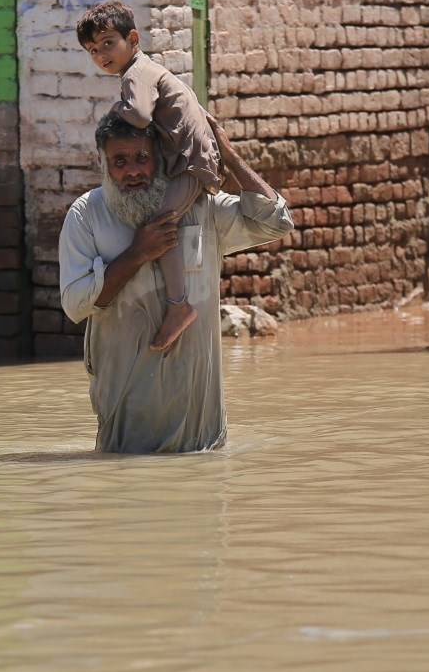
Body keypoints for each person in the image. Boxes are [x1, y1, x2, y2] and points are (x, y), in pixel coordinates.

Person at [58, 112, 294, 454]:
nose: (133, 171)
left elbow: (278, 222)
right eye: (119, 161)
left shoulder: (200, 207)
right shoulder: (86, 215)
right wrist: (138, 253)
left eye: (142, 158)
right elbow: (76, 304)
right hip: (126, 415)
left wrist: (229, 155)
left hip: (200, 421)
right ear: (104, 165)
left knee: (202, 488)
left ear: (159, 157)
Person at [76, 0, 222, 352]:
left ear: (134, 38)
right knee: (161, 225)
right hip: (191, 159)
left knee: (158, 227)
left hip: (189, 164)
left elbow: (139, 117)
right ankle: (177, 303)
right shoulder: (150, 71)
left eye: (108, 42)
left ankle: (178, 306)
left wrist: (115, 111)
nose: (101, 54)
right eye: (93, 50)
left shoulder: (136, 75)